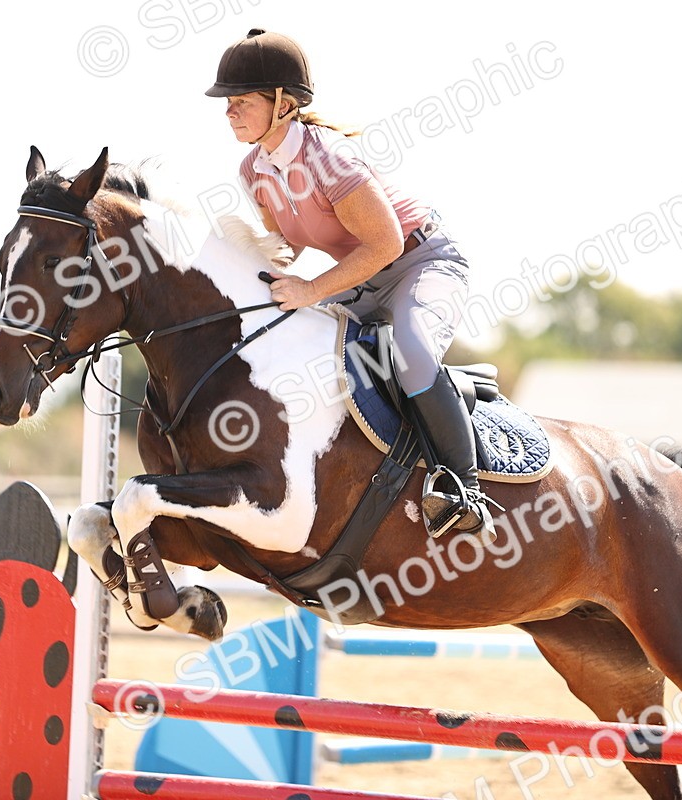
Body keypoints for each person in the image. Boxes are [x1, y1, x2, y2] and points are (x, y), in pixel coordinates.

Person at [205, 28, 497, 544]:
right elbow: (286, 250)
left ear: (283, 104)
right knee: (284, 331)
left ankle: (466, 491)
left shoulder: (330, 157)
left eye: (241, 101)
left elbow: (384, 246)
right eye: (228, 102)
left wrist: (310, 291)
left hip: (420, 261)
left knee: (410, 348)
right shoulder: (253, 169)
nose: (229, 111)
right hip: (361, 278)